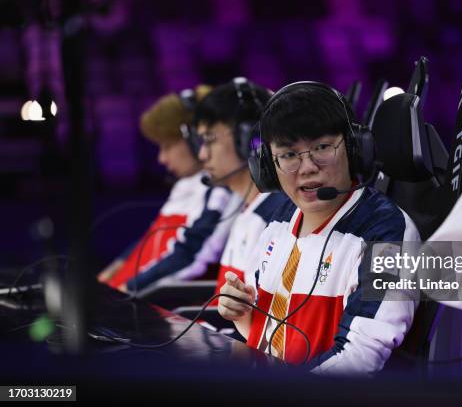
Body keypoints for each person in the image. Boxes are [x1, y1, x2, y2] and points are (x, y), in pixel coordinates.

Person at [217, 81, 421, 375]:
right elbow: (263, 337)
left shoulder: (388, 233)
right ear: (266, 165)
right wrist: (239, 311)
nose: (307, 167)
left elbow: (360, 358)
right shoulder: (279, 219)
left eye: (322, 147)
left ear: (354, 147)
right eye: (288, 155)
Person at [136, 78, 289, 297]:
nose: (202, 155)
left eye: (209, 140)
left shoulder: (275, 220)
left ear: (250, 140)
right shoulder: (245, 214)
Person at [98, 86, 233, 292]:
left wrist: (126, 289)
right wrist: (115, 269)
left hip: (148, 304)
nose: (161, 159)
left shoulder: (219, 189)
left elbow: (188, 254)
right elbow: (152, 239)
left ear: (195, 141)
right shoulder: (184, 185)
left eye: (167, 146)